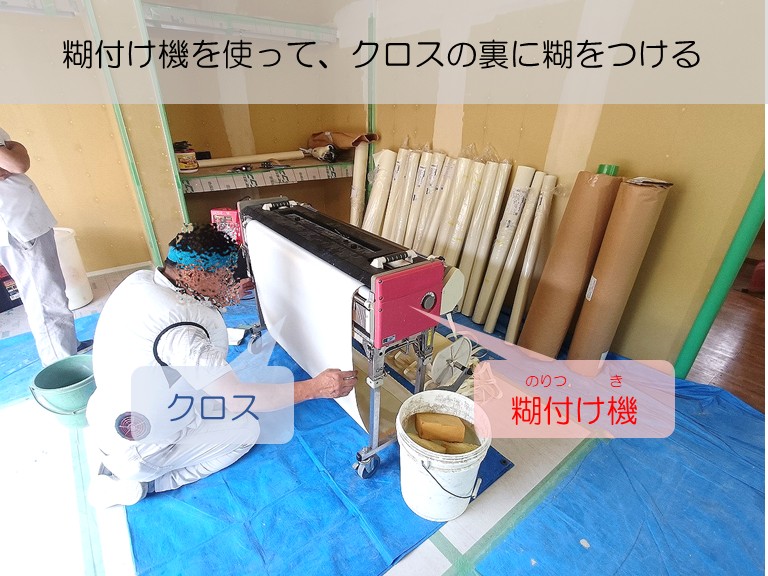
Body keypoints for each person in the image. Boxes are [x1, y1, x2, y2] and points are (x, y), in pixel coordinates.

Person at [86, 224, 357, 508]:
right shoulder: (182, 335)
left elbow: (185, 308)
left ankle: (128, 466)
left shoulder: (143, 282)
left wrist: (221, 292)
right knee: (246, 431)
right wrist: (316, 388)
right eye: (224, 276)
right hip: (142, 447)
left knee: (217, 396)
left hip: (112, 415)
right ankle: (146, 484)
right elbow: (237, 399)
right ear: (194, 275)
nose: (230, 282)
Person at [0, 127, 87, 366]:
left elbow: (17, 158)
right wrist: (14, 150)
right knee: (45, 298)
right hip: (17, 225)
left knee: (50, 291)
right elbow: (18, 163)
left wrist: (15, 148)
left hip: (24, 221)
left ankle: (67, 346)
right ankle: (62, 364)